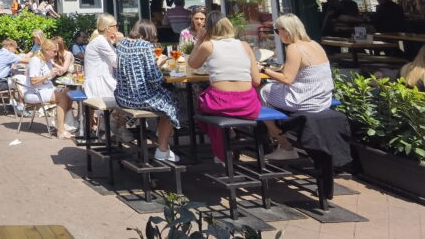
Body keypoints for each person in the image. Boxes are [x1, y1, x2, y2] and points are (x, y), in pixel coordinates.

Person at [188, 11, 261, 164]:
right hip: (249, 104)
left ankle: (221, 153)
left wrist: (198, 42)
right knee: (212, 106)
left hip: (220, 103)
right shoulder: (244, 45)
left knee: (204, 107)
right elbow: (257, 80)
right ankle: (229, 137)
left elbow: (192, 64)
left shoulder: (208, 46)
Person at [259, 14, 334, 160]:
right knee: (273, 87)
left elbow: (287, 79)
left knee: (263, 91)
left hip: (305, 101)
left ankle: (283, 143)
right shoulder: (315, 44)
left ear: (285, 31)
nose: (277, 34)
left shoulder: (294, 48)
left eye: (276, 31)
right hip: (323, 99)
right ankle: (280, 137)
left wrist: (262, 70)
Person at [114, 20, 180, 162]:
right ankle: (162, 148)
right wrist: (159, 63)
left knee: (168, 95)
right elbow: (154, 79)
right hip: (139, 98)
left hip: (122, 97)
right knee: (172, 101)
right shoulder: (146, 46)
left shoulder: (121, 44)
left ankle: (161, 132)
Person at [22, 40, 74, 139]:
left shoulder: (48, 61)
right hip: (34, 92)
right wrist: (49, 75)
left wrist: (54, 73)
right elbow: (33, 81)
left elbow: (48, 78)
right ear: (46, 50)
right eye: (54, 51)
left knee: (70, 92)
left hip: (46, 88)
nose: (56, 54)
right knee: (62, 97)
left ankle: (65, 123)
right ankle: (60, 130)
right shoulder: (35, 60)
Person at [84, 14, 119, 100]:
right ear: (107, 29)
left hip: (102, 80)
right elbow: (117, 63)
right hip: (99, 83)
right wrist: (120, 43)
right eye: (115, 26)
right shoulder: (101, 41)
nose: (117, 29)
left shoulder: (105, 41)